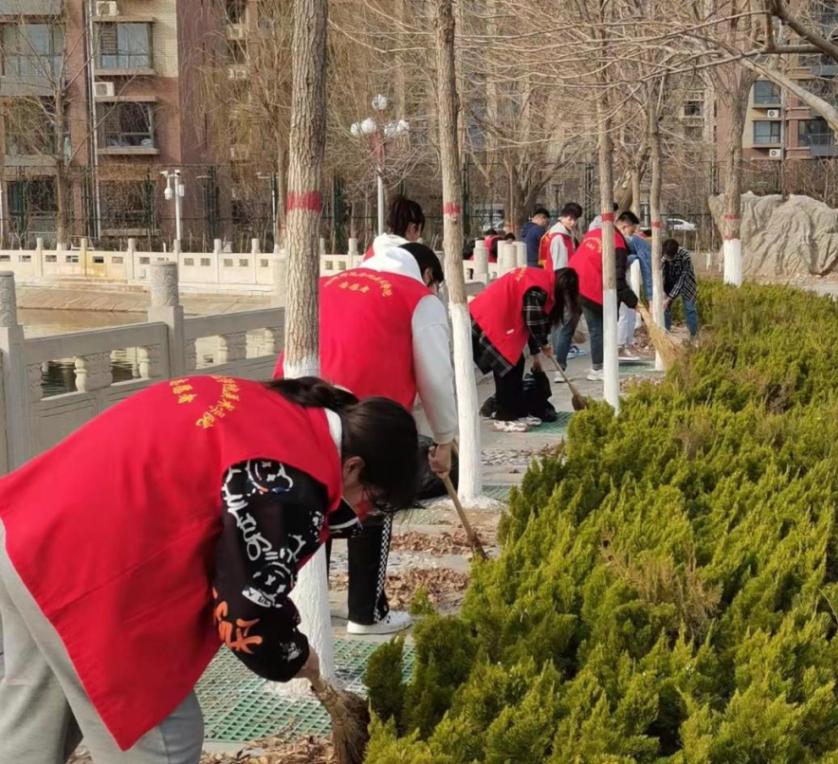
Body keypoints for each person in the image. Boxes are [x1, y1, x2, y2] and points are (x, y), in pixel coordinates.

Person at [0, 375, 419, 764]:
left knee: (34, 719)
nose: (361, 511)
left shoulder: (281, 409)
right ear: (354, 466)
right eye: (370, 498)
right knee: (168, 740)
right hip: (81, 572)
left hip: (26, 524)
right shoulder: (292, 479)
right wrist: (291, 654)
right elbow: (244, 611)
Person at [273, 240, 457, 635]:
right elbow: (437, 377)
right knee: (374, 499)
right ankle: (366, 613)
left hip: (297, 407)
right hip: (368, 417)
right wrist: (445, 440)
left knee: (313, 503)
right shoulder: (417, 298)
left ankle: (308, 613)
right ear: (427, 275)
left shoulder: (326, 283)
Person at [469, 266, 580, 432]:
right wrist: (544, 344)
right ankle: (504, 417)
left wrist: (536, 355)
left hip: (498, 316)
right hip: (489, 317)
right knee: (507, 366)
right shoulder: (538, 288)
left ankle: (518, 412)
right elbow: (533, 320)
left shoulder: (541, 281)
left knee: (517, 361)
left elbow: (531, 324)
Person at [554, 211, 640, 381]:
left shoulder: (593, 233)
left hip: (570, 282)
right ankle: (597, 369)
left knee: (567, 327)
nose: (631, 235)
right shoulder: (617, 244)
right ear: (624, 225)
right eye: (631, 231)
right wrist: (634, 302)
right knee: (597, 329)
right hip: (589, 288)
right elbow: (618, 280)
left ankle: (559, 371)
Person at [618, 227, 652, 360]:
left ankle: (626, 344)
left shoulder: (635, 247)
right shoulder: (630, 248)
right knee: (624, 313)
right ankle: (620, 346)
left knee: (628, 313)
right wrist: (649, 298)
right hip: (618, 280)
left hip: (623, 278)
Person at [363, 195, 425, 260]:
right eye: (420, 230)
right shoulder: (412, 256)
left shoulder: (374, 249)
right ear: (413, 228)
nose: (419, 236)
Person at [663, 237, 699, 339]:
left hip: (687, 284)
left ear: (675, 254)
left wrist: (669, 298)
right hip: (669, 282)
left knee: (690, 309)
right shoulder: (662, 255)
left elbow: (682, 279)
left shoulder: (685, 256)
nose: (667, 259)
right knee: (665, 308)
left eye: (670, 258)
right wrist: (663, 292)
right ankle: (666, 333)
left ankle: (693, 336)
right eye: (666, 257)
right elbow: (660, 273)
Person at [538, 202, 582, 271]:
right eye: (570, 219)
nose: (573, 223)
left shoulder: (567, 235)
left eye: (575, 219)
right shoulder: (558, 238)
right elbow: (560, 267)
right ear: (562, 218)